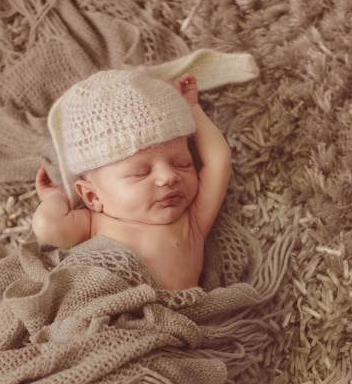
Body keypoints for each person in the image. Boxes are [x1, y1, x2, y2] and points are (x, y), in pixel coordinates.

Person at [32, 70, 232, 290]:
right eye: (141, 173)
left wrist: (192, 109)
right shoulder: (92, 224)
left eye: (182, 164)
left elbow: (218, 160)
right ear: (92, 196)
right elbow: (48, 225)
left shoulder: (191, 222)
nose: (169, 177)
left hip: (173, 319)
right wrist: (57, 197)